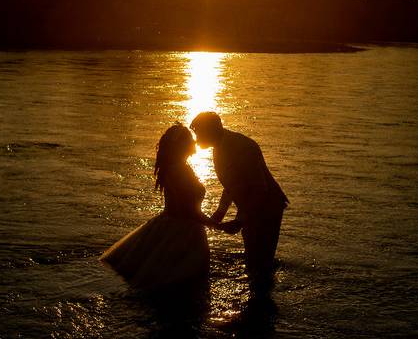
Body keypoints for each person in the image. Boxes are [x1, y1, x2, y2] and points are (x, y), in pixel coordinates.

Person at [100, 123, 216, 289]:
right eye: (190, 139)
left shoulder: (179, 167)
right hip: (183, 232)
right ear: (181, 145)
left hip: (176, 226)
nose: (194, 142)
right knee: (181, 280)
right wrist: (217, 224)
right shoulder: (178, 170)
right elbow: (188, 210)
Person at [190, 112, 288, 281]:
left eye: (199, 134)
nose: (196, 140)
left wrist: (240, 221)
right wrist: (221, 213)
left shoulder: (243, 147)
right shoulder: (218, 148)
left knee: (261, 265)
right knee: (253, 262)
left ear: (212, 130)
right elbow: (231, 185)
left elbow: (260, 189)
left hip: (268, 208)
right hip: (250, 208)